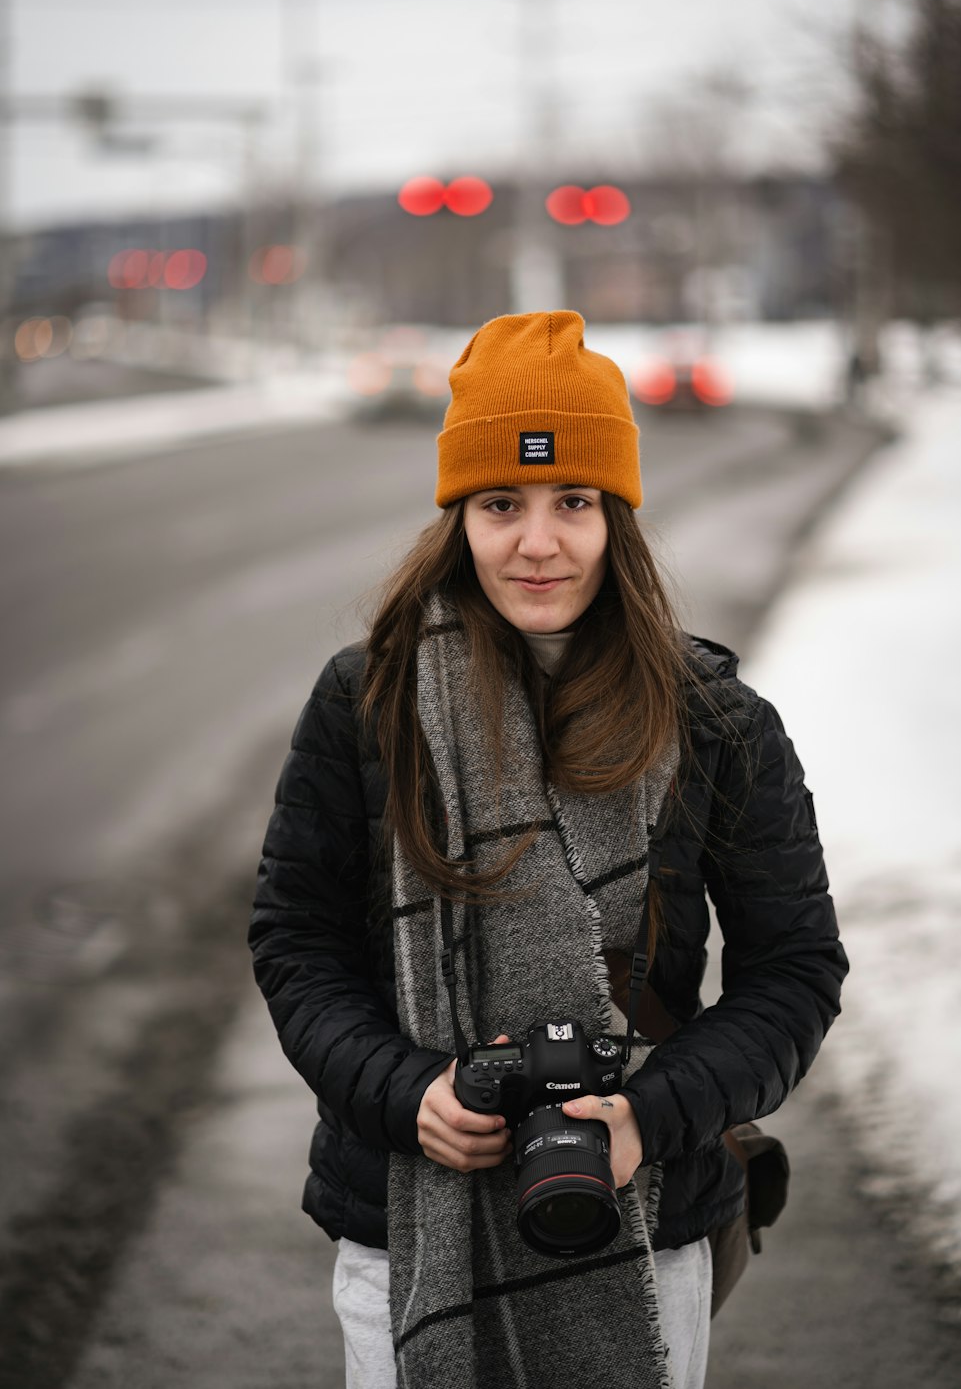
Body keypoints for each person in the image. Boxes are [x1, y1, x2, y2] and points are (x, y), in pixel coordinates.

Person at [249, 310, 848, 1389]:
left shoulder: (713, 718)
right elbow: (297, 942)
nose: (538, 542)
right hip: (403, 1226)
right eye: (499, 505)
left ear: (616, 514)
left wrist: (646, 1118)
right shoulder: (367, 701)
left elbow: (795, 972)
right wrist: (405, 1090)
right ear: (457, 517)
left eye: (573, 501)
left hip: (644, 1219)